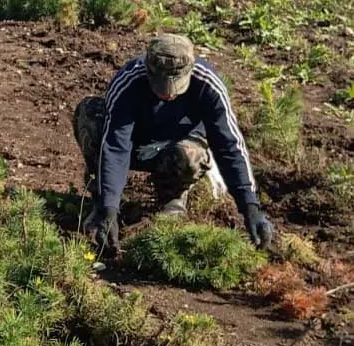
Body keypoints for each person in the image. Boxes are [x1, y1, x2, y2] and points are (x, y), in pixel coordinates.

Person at [73, 32, 274, 256]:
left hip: (176, 149)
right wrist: (109, 208)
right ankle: (99, 202)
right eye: (161, 85)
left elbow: (229, 146)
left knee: (190, 155)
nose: (169, 95)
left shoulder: (208, 84)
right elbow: (115, 147)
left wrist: (250, 207)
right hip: (135, 143)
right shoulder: (129, 82)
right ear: (148, 70)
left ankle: (172, 199)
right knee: (90, 116)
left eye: (176, 86)